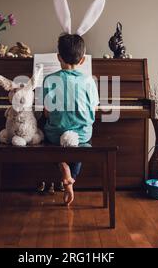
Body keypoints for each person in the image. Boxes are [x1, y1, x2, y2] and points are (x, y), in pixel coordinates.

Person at [43, 33, 99, 206]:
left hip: (55, 135)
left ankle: (62, 166)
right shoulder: (89, 80)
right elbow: (94, 110)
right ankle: (71, 178)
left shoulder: (49, 79)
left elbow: (46, 112)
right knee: (80, 142)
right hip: (82, 135)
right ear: (82, 60)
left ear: (58, 57)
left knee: (47, 132)